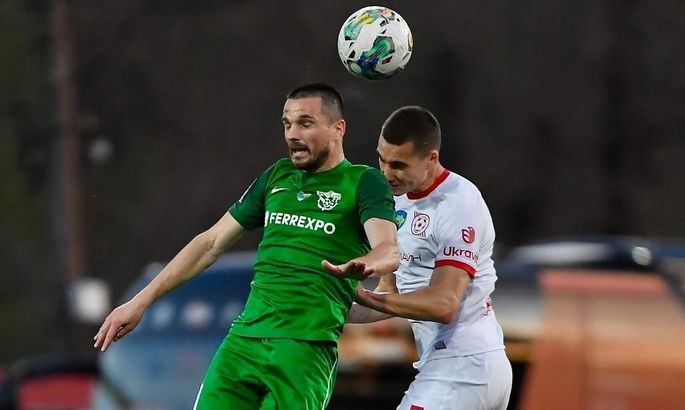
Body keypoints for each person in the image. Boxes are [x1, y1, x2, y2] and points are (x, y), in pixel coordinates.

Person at [93, 83, 399, 409]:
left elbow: (388, 249)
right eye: (287, 124)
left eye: (305, 123)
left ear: (338, 129)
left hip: (303, 350)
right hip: (243, 342)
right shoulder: (277, 177)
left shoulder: (363, 181)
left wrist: (367, 264)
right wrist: (140, 301)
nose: (292, 135)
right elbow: (210, 243)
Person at [340, 106, 512, 410]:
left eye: (399, 165)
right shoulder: (394, 201)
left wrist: (366, 297)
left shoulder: (458, 203)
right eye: (382, 160)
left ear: (431, 159)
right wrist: (336, 310)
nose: (386, 173)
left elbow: (445, 304)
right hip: (454, 365)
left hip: (464, 366)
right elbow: (391, 295)